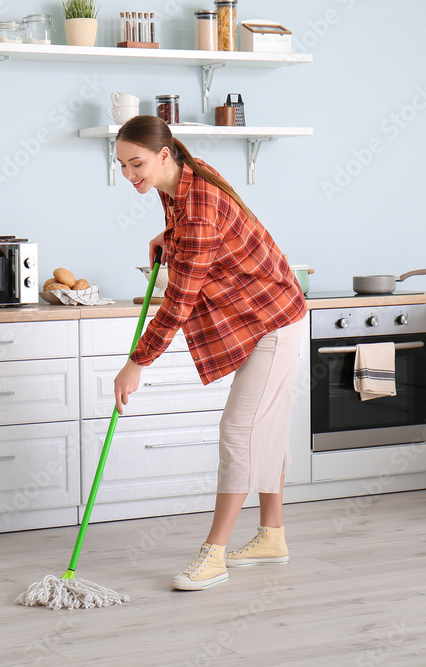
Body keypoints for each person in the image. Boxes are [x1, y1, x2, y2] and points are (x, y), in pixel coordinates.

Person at [112, 115, 307, 591]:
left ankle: (214, 554)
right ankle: (271, 536)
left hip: (272, 322)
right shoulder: (182, 176)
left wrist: (136, 362)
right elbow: (189, 234)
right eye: (121, 165)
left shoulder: (198, 206)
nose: (129, 174)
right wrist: (168, 240)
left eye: (135, 163)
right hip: (259, 317)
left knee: (239, 429)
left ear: (163, 155)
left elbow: (179, 301)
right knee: (266, 426)